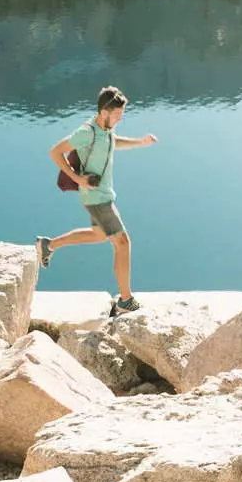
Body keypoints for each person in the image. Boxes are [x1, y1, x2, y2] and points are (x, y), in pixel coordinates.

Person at [37, 85, 159, 315]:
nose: (120, 119)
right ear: (104, 112)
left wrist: (140, 142)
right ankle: (125, 300)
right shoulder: (87, 132)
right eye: (118, 115)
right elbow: (55, 151)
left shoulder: (105, 130)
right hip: (96, 197)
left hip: (102, 194)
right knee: (122, 243)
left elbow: (113, 142)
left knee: (98, 235)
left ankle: (48, 245)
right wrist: (77, 179)